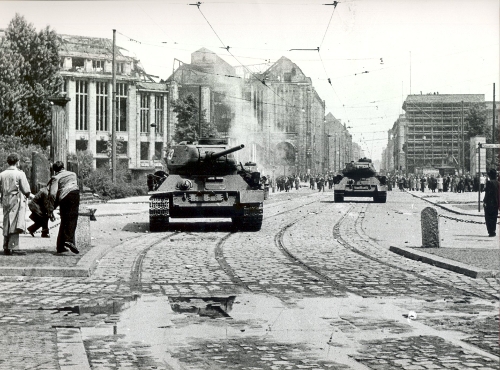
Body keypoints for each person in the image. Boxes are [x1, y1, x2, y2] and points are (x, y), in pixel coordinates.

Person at [0, 153, 34, 255]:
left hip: (5, 199)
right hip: (16, 199)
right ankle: (14, 246)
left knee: (6, 222)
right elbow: (26, 190)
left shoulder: (2, 174)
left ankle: (5, 245)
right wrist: (31, 196)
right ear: (17, 162)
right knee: (14, 222)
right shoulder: (20, 174)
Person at [47, 161, 80, 254]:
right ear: (63, 167)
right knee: (72, 218)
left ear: (55, 171)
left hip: (64, 197)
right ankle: (64, 244)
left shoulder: (56, 178)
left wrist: (51, 209)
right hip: (75, 194)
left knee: (65, 219)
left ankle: (65, 242)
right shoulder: (73, 174)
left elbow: (53, 194)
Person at [482, 168, 499, 237]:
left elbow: (487, 193)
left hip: (489, 203)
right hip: (496, 202)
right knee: (494, 217)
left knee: (488, 217)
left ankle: (490, 231)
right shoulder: (498, 183)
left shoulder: (489, 183)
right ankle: (493, 231)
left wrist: (484, 201)